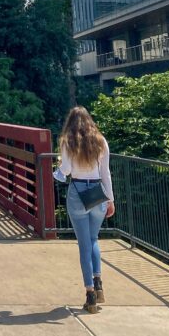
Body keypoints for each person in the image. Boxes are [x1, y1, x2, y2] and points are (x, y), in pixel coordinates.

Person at [54, 106, 115, 315]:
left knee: (84, 244)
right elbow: (105, 173)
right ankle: (98, 283)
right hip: (98, 191)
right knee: (93, 238)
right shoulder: (100, 141)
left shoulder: (67, 142)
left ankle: (89, 294)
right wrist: (110, 200)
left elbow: (67, 171)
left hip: (78, 191)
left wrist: (60, 165)